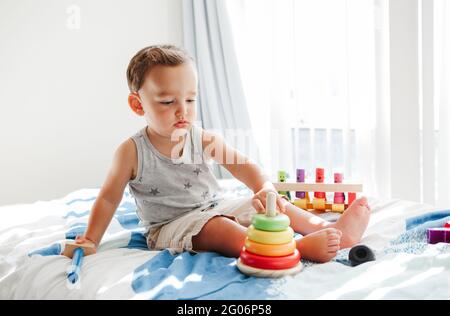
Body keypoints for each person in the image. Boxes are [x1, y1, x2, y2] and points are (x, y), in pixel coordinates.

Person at [72, 45, 371, 263]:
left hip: (215, 206)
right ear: (138, 105)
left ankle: (328, 229)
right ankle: (297, 250)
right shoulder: (131, 152)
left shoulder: (200, 138)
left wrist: (264, 189)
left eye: (190, 99)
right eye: (167, 102)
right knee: (220, 229)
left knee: (271, 205)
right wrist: (90, 240)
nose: (183, 110)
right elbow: (109, 198)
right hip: (171, 226)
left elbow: (244, 166)